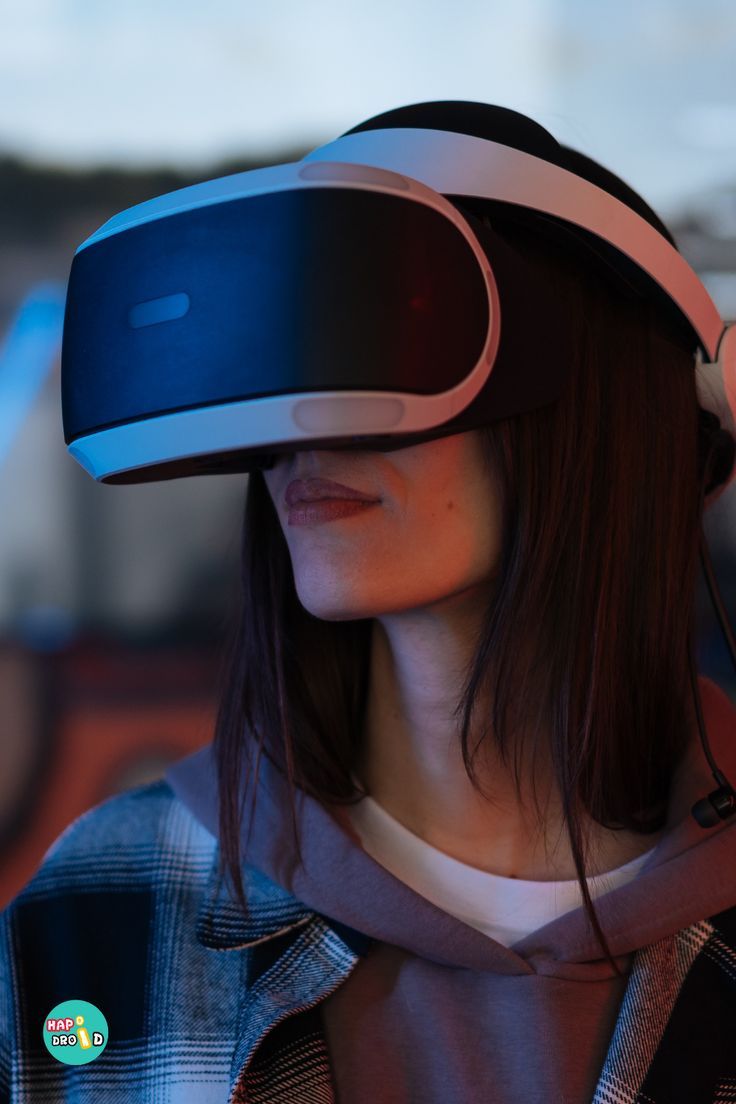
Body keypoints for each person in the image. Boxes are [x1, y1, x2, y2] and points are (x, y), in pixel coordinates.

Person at [2, 100, 736, 1104]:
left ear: (600, 393)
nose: (303, 437)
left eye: (367, 332)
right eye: (280, 356)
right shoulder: (109, 899)